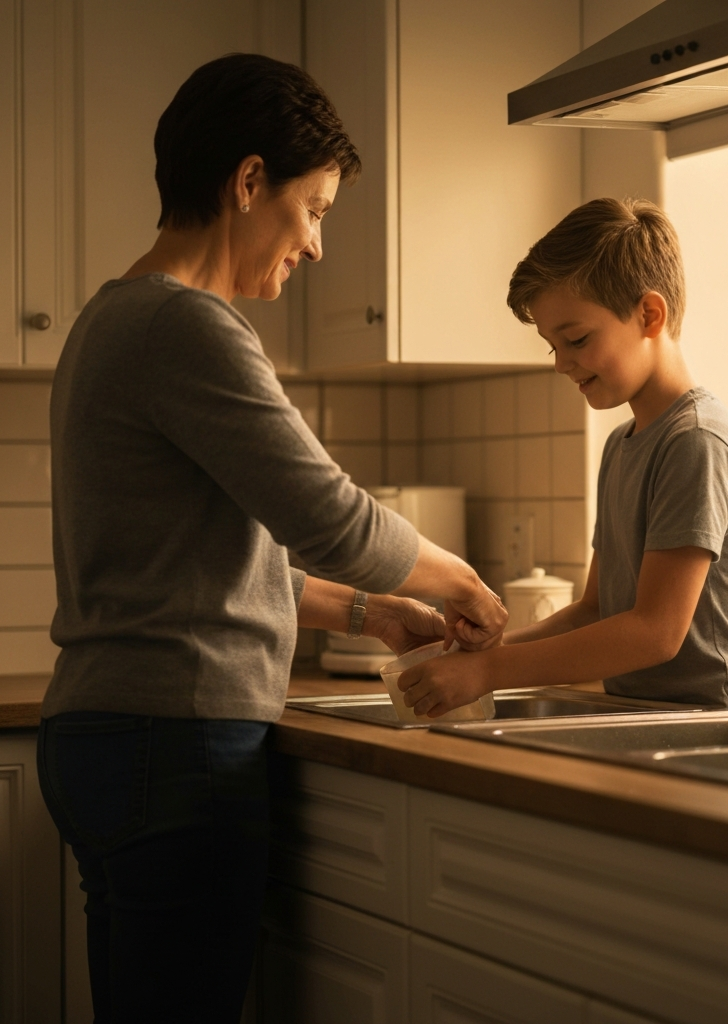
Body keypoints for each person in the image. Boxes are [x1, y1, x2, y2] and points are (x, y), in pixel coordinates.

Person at [36, 53, 505, 1024]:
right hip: (177, 747)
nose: (319, 247)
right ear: (249, 183)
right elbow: (326, 517)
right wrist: (461, 578)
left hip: (107, 736)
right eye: (317, 209)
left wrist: (376, 612)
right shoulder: (188, 326)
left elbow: (209, 568)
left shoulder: (106, 320)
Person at [398, 197, 728, 716]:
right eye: (553, 345)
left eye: (575, 339)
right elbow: (593, 611)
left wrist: (486, 672)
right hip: (646, 719)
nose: (560, 364)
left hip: (716, 723)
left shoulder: (697, 443)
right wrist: (485, 650)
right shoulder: (622, 446)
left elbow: (655, 634)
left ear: (649, 314)